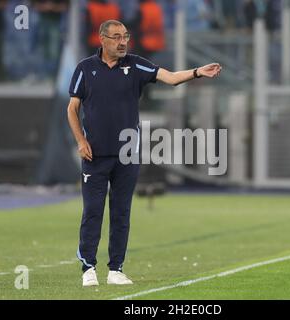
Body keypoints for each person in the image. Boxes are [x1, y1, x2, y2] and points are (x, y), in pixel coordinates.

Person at [67, 20, 222, 286]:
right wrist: (81, 141)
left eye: (125, 36)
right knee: (93, 211)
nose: (122, 41)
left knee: (121, 213)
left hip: (128, 154)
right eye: (116, 37)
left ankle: (115, 269)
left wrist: (197, 71)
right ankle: (88, 268)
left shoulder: (136, 64)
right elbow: (72, 108)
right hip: (94, 155)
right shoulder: (85, 68)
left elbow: (171, 78)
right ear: (102, 39)